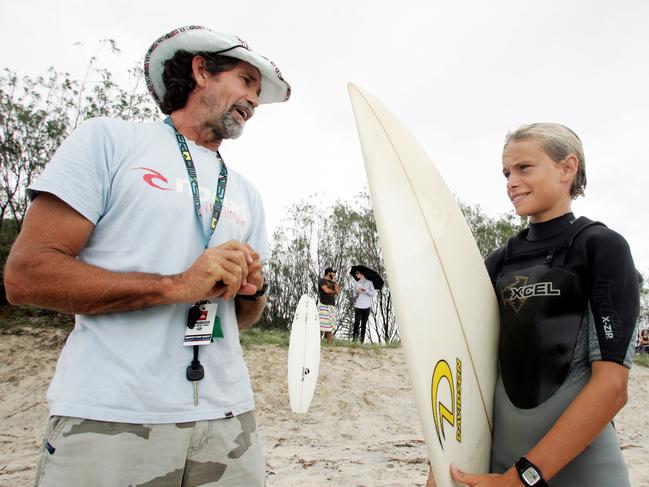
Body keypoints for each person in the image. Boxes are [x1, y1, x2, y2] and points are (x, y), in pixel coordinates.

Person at [4, 25, 290, 487]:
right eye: (246, 81)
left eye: (258, 92)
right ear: (202, 70)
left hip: (229, 420)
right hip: (110, 418)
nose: (254, 101)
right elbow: (26, 276)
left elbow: (242, 319)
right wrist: (176, 286)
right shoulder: (109, 142)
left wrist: (252, 289)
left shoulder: (246, 193)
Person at [427, 123, 639, 486]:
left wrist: (521, 478)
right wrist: (442, 465)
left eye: (524, 168)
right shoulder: (498, 262)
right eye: (507, 172)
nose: (511, 181)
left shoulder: (600, 248)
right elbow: (466, 372)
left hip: (580, 472)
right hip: (500, 466)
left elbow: (612, 387)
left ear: (567, 168)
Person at [318, 267, 341, 346]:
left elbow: (338, 291)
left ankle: (329, 347)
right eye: (332, 273)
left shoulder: (333, 282)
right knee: (320, 327)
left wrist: (335, 282)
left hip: (331, 306)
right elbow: (326, 290)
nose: (334, 274)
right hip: (323, 305)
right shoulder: (322, 281)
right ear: (328, 273)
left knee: (330, 328)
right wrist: (335, 292)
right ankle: (318, 345)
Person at [352, 270, 376, 342]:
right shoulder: (356, 283)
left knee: (364, 324)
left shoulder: (370, 283)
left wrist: (366, 290)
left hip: (367, 306)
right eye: (356, 273)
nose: (356, 275)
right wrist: (357, 292)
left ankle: (361, 341)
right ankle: (354, 340)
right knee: (356, 322)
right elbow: (354, 295)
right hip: (358, 306)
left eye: (357, 273)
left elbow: (373, 294)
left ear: (362, 274)